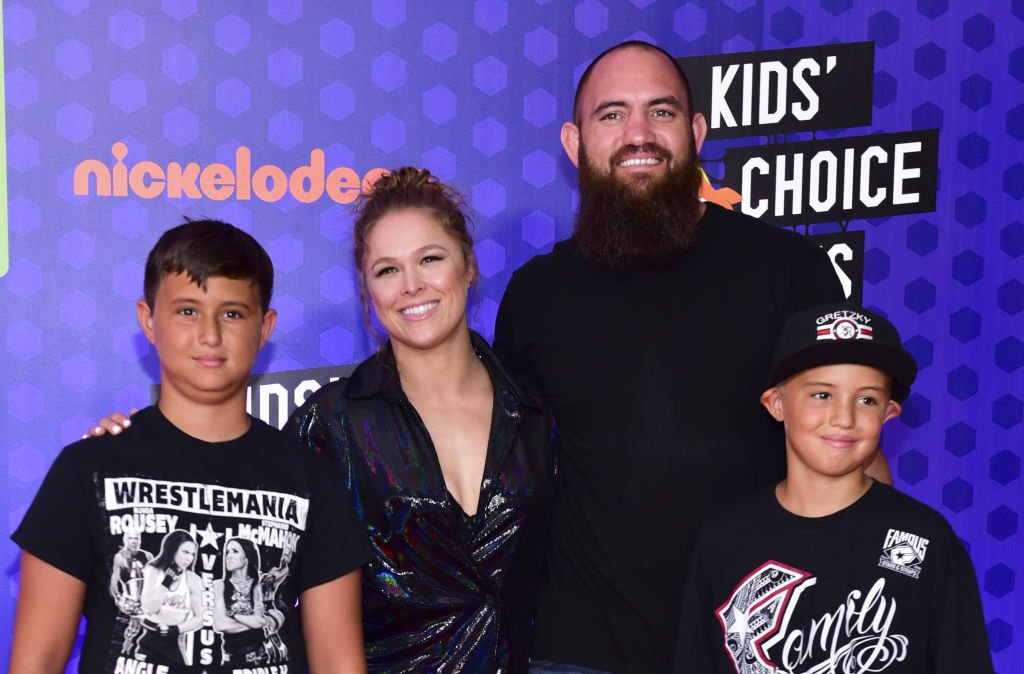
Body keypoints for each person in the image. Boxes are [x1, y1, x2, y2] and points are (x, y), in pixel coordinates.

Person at [492, 41, 883, 674]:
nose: (638, 134)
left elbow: (853, 451)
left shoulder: (788, 271)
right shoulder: (536, 295)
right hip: (579, 652)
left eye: (662, 112)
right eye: (612, 114)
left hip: (764, 646)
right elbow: (505, 472)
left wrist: (881, 606)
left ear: (697, 131)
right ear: (574, 141)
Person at [9, 218, 371, 674]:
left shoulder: (311, 480)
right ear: (148, 319)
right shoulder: (89, 470)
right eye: (187, 310)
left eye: (233, 313)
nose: (210, 334)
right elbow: (35, 661)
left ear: (265, 327)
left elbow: (339, 662)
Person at [284, 167, 557, 673]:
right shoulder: (329, 426)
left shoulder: (537, 412)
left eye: (430, 259)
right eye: (387, 270)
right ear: (367, 291)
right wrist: (131, 445)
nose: (411, 285)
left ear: (469, 266)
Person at [673, 301, 993, 673]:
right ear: (776, 403)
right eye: (821, 394)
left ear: (889, 413)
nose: (844, 418)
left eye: (867, 399)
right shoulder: (724, 535)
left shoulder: (924, 538)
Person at [131, 530, 203, 665]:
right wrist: (166, 583)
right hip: (150, 637)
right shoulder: (153, 570)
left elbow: (200, 619)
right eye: (185, 552)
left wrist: (174, 630)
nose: (189, 558)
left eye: (192, 554)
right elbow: (148, 608)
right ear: (173, 549)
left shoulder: (193, 579)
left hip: (174, 640)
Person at [212, 537, 273, 666]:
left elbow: (262, 620)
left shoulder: (258, 586)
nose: (228, 556)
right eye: (227, 552)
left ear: (247, 556)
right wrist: (254, 622)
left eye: (235, 551)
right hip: (230, 661)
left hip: (260, 660)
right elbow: (220, 625)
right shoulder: (219, 585)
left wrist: (234, 616)